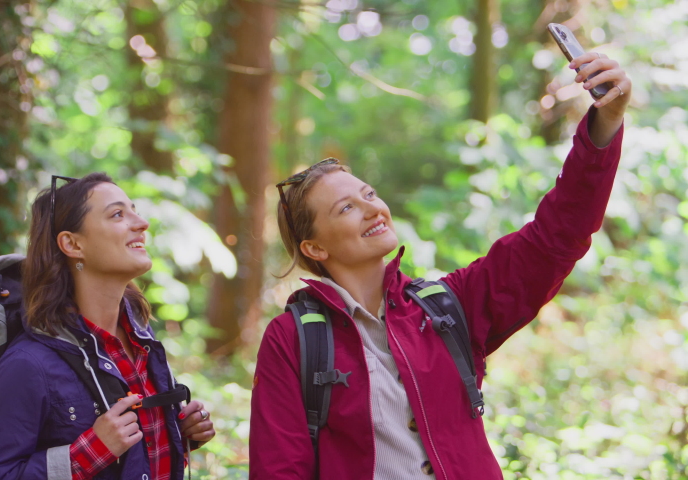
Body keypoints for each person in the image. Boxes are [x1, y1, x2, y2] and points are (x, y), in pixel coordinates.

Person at [249, 53, 630, 480]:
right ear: (315, 247)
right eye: (346, 208)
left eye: (370, 194)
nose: (372, 209)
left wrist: (605, 125)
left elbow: (556, 237)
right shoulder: (293, 340)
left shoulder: (448, 307)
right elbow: (279, 470)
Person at [0, 173, 215, 480]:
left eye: (134, 210)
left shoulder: (142, 342)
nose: (141, 223)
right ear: (72, 244)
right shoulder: (27, 364)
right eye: (117, 214)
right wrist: (88, 453)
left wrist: (176, 432)